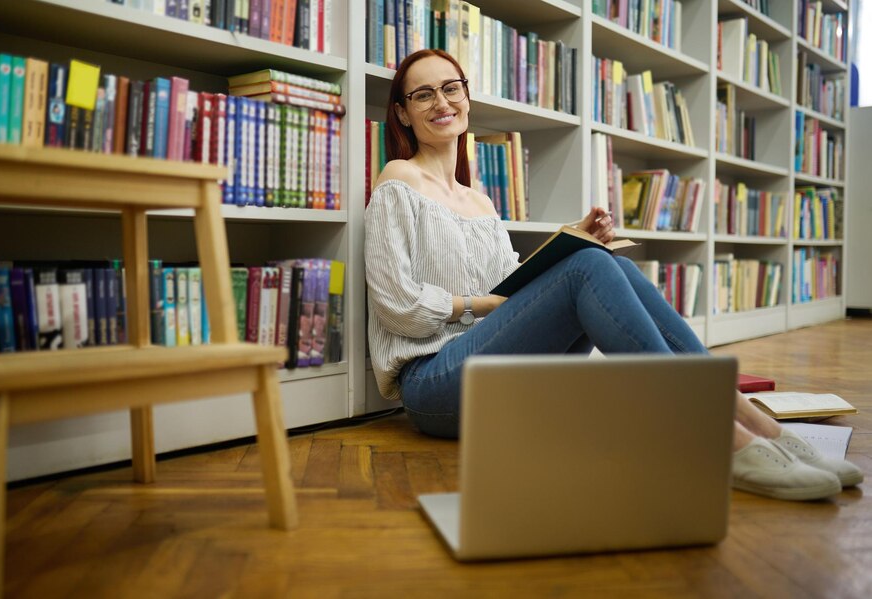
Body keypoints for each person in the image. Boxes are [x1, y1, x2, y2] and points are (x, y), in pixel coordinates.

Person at [364, 49, 863, 502]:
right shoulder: (398, 181)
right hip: (434, 386)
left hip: (497, 375)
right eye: (422, 94)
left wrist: (567, 241)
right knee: (587, 268)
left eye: (451, 88)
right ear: (404, 113)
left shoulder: (481, 202)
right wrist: (480, 305)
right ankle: (718, 437)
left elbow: (508, 287)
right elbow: (397, 305)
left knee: (607, 261)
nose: (440, 102)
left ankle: (757, 425)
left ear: (466, 97)